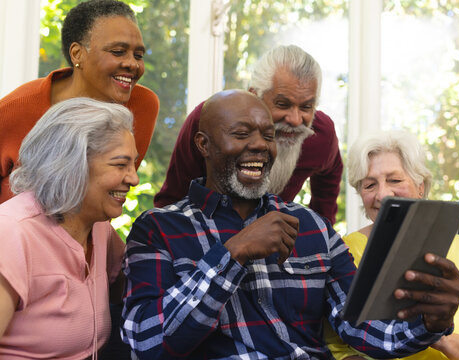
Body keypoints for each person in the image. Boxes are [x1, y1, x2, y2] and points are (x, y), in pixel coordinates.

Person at [121, 89, 459, 359]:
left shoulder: (312, 226)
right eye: (242, 133)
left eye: (267, 135)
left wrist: (430, 322)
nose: (259, 145)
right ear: (204, 145)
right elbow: (147, 343)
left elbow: (362, 327)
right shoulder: (158, 229)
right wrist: (233, 253)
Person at [327, 130, 459, 360]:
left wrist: (436, 333)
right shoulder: (344, 253)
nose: (383, 194)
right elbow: (335, 348)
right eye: (369, 185)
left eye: (395, 180)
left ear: (421, 185)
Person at [0, 97, 139, 359]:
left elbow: (139, 286)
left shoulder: (99, 229)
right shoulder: (10, 234)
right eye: (121, 165)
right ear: (71, 166)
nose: (134, 178)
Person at [154, 44, 342, 224]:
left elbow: (329, 182)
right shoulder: (207, 120)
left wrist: (318, 237)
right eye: (283, 104)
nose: (295, 119)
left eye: (306, 107)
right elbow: (173, 199)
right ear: (255, 94)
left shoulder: (321, 135)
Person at [0, 0, 159, 204]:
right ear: (77, 54)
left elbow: (111, 194)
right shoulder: (16, 108)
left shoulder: (143, 105)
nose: (132, 64)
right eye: (118, 52)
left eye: (138, 55)